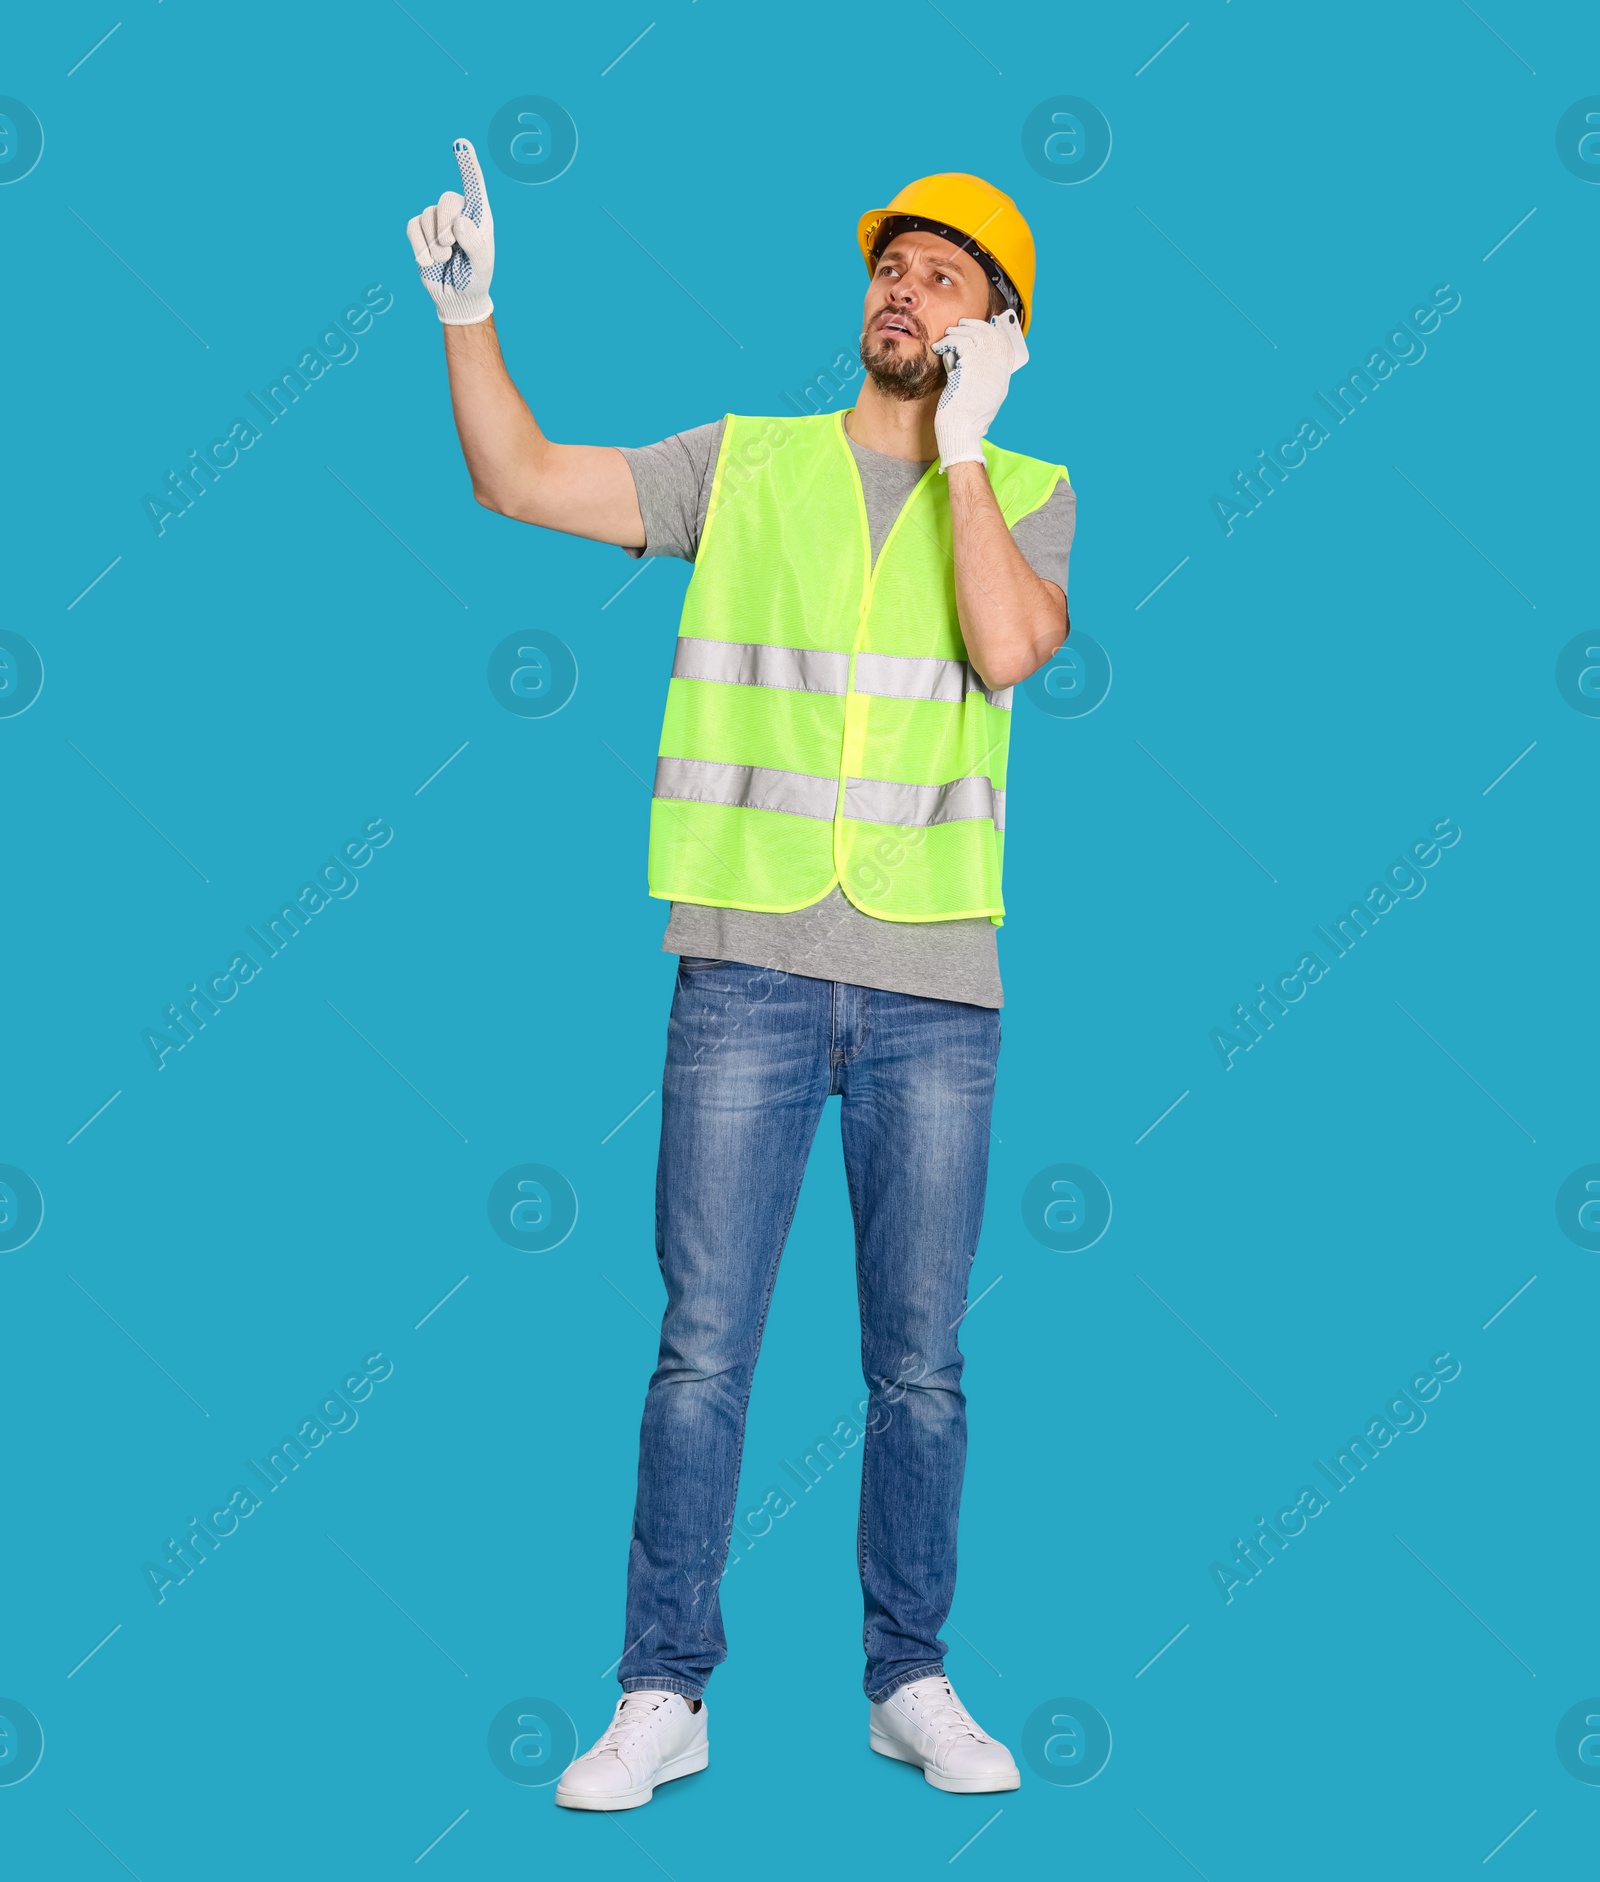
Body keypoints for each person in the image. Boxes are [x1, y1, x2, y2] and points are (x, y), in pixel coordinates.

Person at [407, 142, 1074, 1810]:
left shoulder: (1033, 487)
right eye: (893, 264)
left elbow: (1009, 649)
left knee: (919, 1363)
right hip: (746, 972)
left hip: (934, 987)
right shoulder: (750, 463)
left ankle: (908, 1676)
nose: (903, 289)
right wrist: (472, 316)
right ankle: (662, 1688)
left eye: (947, 276)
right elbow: (520, 479)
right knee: (703, 1346)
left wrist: (970, 455)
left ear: (996, 332)